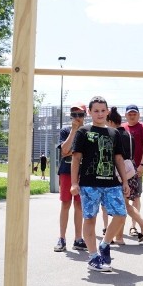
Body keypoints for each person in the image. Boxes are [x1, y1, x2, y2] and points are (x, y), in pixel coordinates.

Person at [71, 96, 131, 272]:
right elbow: (76, 158)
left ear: (107, 112)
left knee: (121, 214)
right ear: (89, 112)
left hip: (111, 183)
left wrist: (124, 181)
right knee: (90, 218)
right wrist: (74, 183)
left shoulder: (115, 133)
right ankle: (92, 257)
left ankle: (104, 244)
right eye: (95, 111)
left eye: (103, 110)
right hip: (89, 184)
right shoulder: (83, 131)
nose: (99, 114)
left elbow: (119, 158)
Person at [103, 107, 143, 243]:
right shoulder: (128, 135)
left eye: (107, 122)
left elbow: (115, 157)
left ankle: (142, 227)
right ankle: (120, 237)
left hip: (119, 173)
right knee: (124, 204)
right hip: (130, 171)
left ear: (111, 121)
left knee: (123, 205)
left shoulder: (113, 135)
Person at [54, 103, 87, 253]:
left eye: (80, 115)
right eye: (74, 115)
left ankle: (78, 238)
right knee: (65, 203)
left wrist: (74, 152)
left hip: (83, 172)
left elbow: (86, 153)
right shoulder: (65, 130)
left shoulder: (88, 131)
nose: (77, 118)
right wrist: (73, 131)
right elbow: (65, 151)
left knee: (79, 205)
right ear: (70, 116)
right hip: (67, 171)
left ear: (85, 115)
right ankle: (61, 238)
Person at [122, 104, 143, 237]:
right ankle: (119, 228)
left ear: (138, 115)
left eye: (134, 113)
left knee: (136, 197)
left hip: (137, 167)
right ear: (126, 115)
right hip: (123, 169)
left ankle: (133, 226)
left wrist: (142, 165)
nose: (132, 116)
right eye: (130, 114)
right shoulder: (122, 128)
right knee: (124, 197)